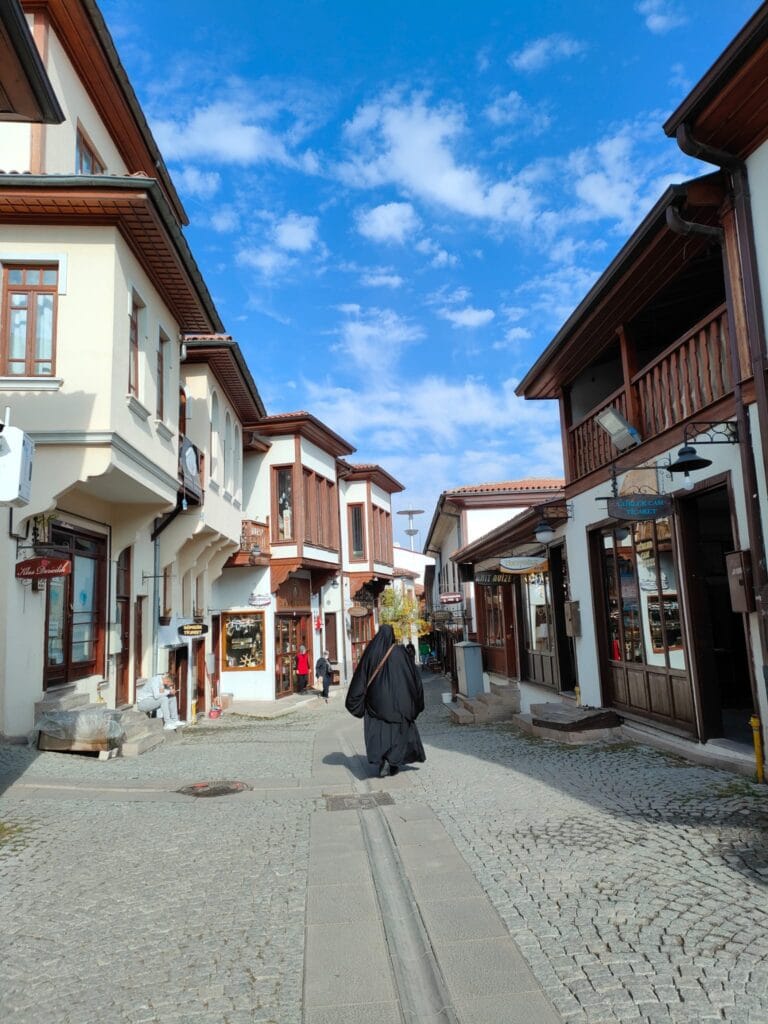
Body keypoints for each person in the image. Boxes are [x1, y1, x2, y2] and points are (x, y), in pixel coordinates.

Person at [345, 624, 426, 777]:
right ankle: (392, 761)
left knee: (379, 733)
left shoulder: (371, 652)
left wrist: (354, 699)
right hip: (399, 704)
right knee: (398, 733)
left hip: (376, 705)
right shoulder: (401, 653)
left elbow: (361, 676)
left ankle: (382, 759)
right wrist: (416, 700)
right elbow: (413, 677)